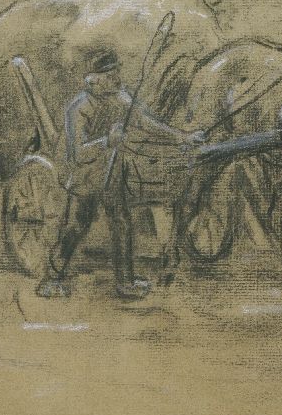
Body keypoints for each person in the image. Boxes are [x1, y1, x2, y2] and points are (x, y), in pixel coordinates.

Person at [37, 46, 193, 302]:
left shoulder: (120, 99)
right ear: (95, 81)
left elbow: (144, 122)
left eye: (117, 74)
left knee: (121, 222)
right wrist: (107, 141)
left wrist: (182, 137)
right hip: (84, 176)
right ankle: (52, 278)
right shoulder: (78, 108)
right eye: (111, 76)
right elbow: (78, 153)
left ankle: (125, 283)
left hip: (111, 172)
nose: (117, 80)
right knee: (78, 225)